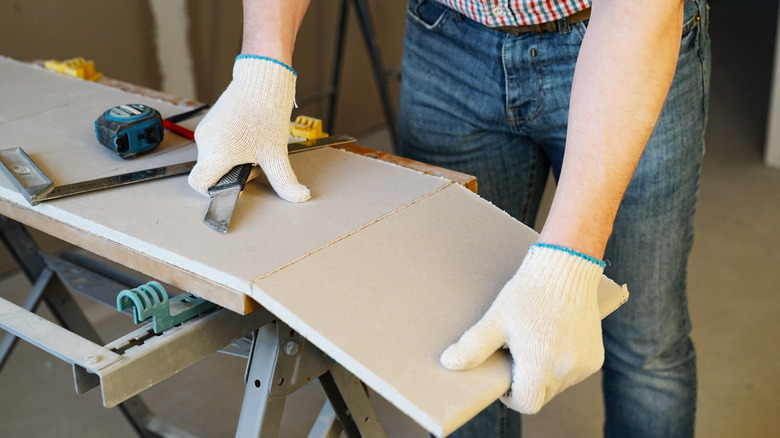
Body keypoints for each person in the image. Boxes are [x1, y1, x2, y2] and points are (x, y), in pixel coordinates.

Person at [188, 0, 710, 436]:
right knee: (464, 337)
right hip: (448, 38)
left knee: (645, 344)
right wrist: (262, 68)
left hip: (621, 41)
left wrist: (568, 262)